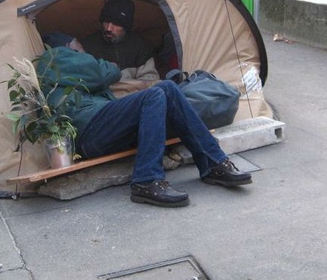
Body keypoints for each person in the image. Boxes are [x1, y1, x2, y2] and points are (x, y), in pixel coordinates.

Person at [35, 44, 252, 208]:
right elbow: (108, 72)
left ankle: (213, 162)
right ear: (71, 45)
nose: (85, 51)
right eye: (81, 49)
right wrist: (101, 63)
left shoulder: (66, 71)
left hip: (101, 126)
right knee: (154, 94)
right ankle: (146, 180)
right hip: (89, 129)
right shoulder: (55, 56)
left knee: (167, 87)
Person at [80, 0, 159, 83]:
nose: (109, 28)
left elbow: (150, 80)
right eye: (106, 22)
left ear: (125, 26)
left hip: (134, 94)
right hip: (102, 95)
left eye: (115, 24)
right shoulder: (89, 45)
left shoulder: (139, 45)